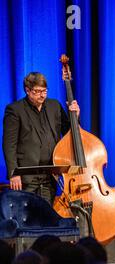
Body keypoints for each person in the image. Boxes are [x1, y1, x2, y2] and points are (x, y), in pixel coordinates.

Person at [2, 72, 80, 205]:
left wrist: (75, 117)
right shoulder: (15, 110)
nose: (42, 95)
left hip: (50, 176)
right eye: (38, 91)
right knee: (29, 219)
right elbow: (9, 145)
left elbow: (69, 134)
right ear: (27, 90)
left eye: (44, 91)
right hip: (27, 179)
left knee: (46, 219)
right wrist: (13, 174)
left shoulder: (54, 106)